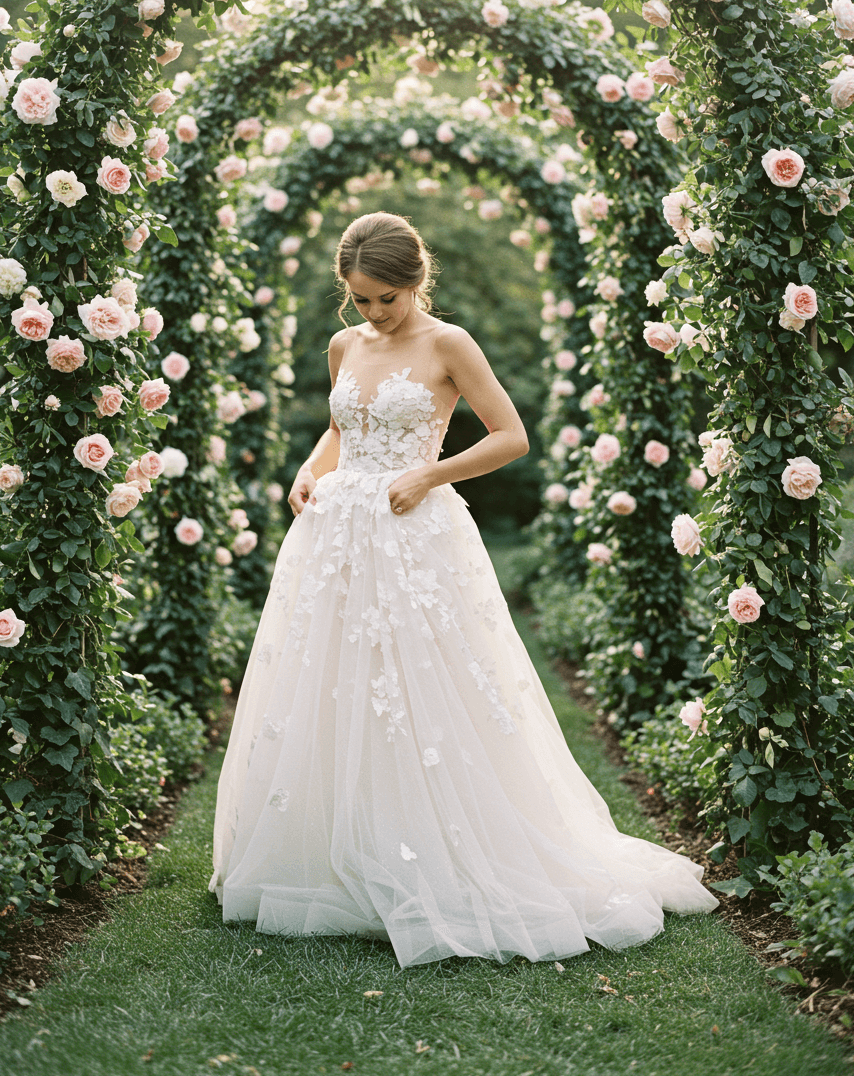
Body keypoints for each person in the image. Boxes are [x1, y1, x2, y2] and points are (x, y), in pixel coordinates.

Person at [208, 211, 718, 967]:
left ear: (415, 281)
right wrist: (310, 468)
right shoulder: (345, 344)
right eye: (361, 298)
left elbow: (510, 435)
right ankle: (330, 855)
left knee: (424, 689)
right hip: (338, 536)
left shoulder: (449, 343)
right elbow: (343, 428)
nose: (374, 312)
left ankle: (441, 849)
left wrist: (431, 472)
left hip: (416, 533)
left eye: (386, 297)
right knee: (334, 690)